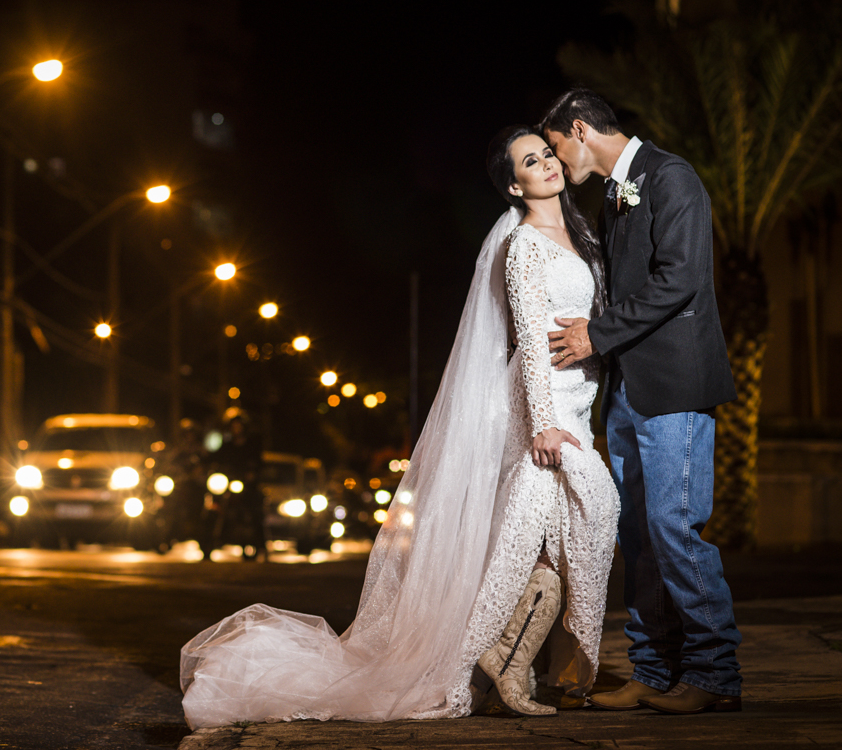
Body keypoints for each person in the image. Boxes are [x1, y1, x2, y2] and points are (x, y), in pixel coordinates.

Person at [177, 125, 619, 728]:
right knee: (582, 511)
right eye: (528, 163)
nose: (544, 165)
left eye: (545, 155)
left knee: (560, 534)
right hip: (543, 412)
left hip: (577, 405)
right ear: (514, 185)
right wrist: (542, 423)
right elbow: (529, 342)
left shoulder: (582, 233)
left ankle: (499, 648)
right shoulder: (522, 246)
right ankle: (492, 651)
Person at [541, 88, 742, 715]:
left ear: (579, 129)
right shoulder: (612, 193)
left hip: (676, 385)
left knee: (672, 525)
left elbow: (680, 276)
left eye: (555, 149)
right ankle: (654, 671)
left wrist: (594, 334)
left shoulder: (671, 176)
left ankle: (713, 675)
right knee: (639, 534)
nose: (556, 163)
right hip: (628, 389)